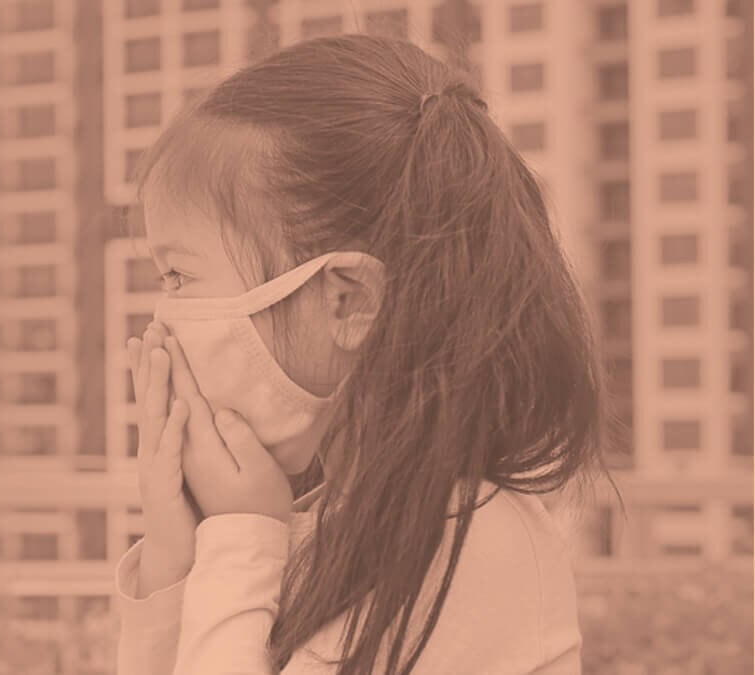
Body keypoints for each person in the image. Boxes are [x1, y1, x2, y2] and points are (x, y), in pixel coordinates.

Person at [115, 34, 621, 675]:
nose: (162, 326)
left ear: (348, 301)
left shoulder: (471, 543)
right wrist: (175, 556)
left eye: (178, 277)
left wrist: (241, 539)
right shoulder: (317, 523)